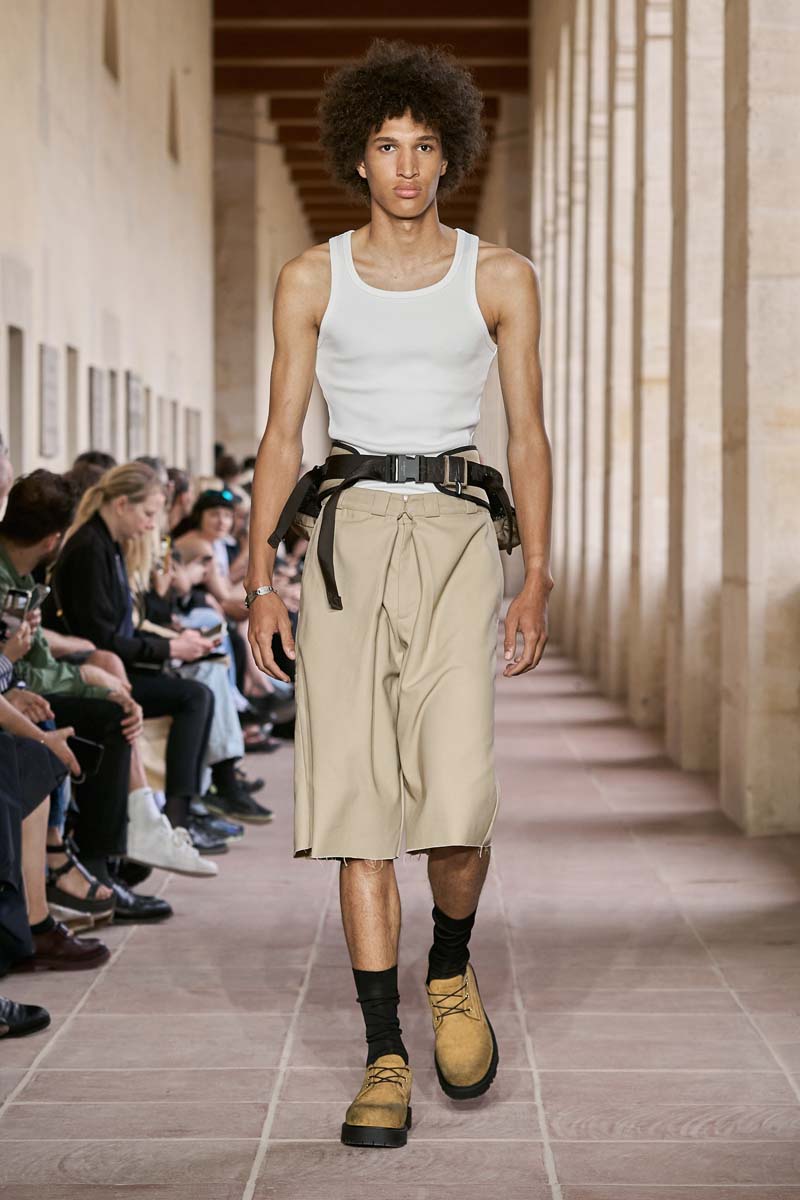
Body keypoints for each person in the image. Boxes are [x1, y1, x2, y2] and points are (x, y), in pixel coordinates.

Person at [245, 40, 553, 1149]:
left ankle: (451, 969)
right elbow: (282, 437)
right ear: (358, 158)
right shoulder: (311, 277)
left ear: (449, 154)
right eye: (387, 145)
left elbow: (527, 435)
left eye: (424, 145)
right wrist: (258, 581)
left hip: (461, 534)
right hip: (346, 535)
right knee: (357, 805)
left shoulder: (498, 276)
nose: (408, 165)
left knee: (457, 795)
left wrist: (535, 576)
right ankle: (383, 1054)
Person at [45, 464, 224, 852]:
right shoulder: (90, 547)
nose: (151, 525)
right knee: (194, 696)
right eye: (147, 513)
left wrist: (174, 643)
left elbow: (122, 631)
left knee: (197, 693)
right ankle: (174, 819)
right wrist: (168, 648)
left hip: (113, 662)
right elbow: (101, 641)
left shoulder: (107, 544)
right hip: (91, 670)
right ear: (122, 504)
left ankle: (180, 815)